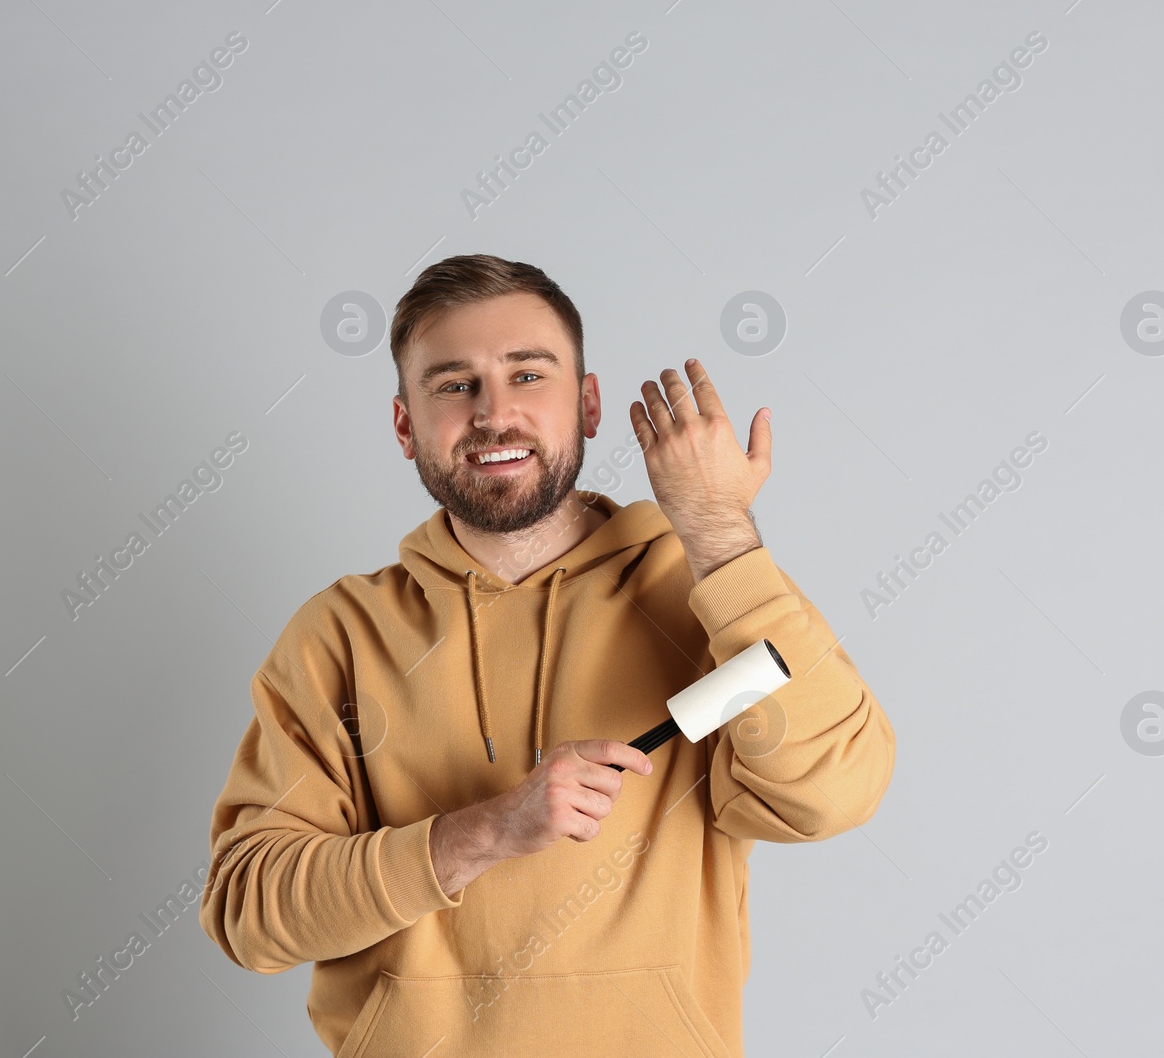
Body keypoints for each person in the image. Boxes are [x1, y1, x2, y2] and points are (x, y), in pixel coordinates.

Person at [199, 254, 895, 1057]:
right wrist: (483, 833)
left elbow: (835, 792)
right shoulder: (340, 634)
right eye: (454, 385)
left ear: (588, 404)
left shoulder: (704, 592)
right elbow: (250, 915)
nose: (495, 414)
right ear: (405, 426)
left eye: (528, 375)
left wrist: (715, 527)